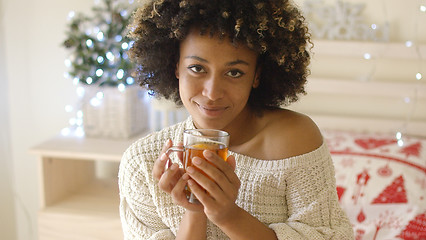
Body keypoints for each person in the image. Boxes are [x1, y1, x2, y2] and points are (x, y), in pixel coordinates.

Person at [118, 0, 354, 239]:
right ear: (176, 66)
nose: (212, 93)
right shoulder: (142, 164)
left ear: (257, 75)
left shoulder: (294, 140)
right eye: (197, 68)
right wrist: (194, 210)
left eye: (234, 72)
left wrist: (227, 215)